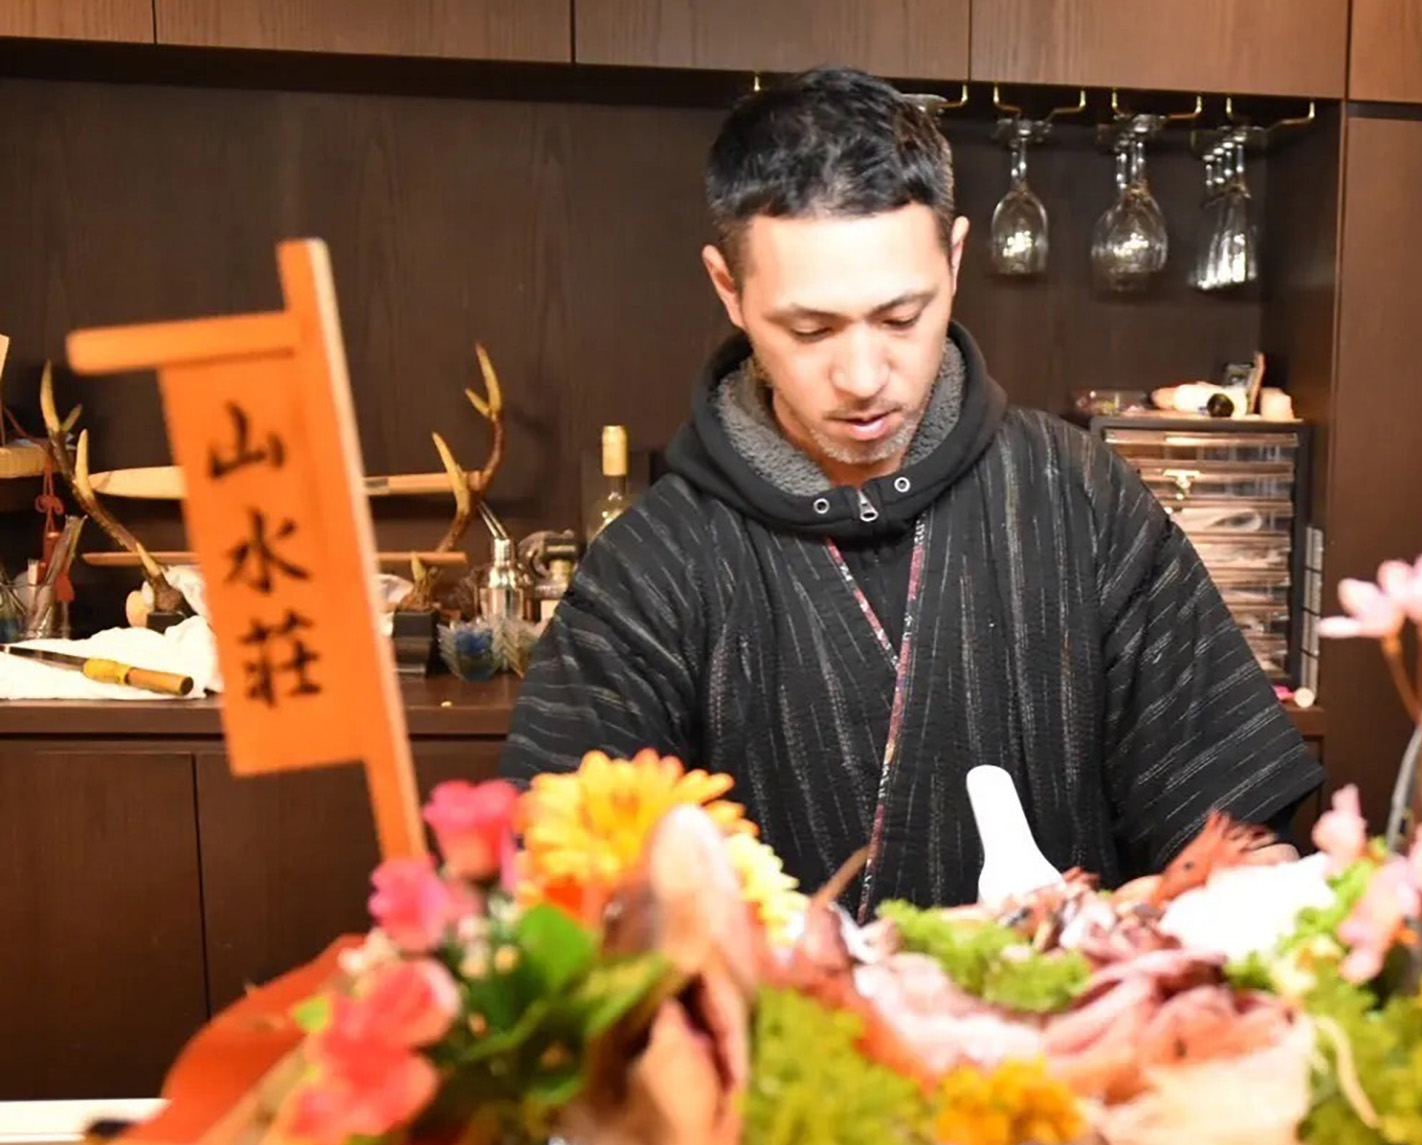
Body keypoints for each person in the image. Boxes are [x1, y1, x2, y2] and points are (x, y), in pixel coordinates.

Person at [501, 66, 1322, 917]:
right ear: (729, 290)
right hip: (778, 1009)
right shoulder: (651, 567)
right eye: (810, 328)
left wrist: (1196, 905)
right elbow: (560, 885)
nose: (863, 377)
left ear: (955, 260)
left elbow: (1240, 836)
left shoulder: (1079, 497)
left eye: (901, 317)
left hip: (1075, 1001)